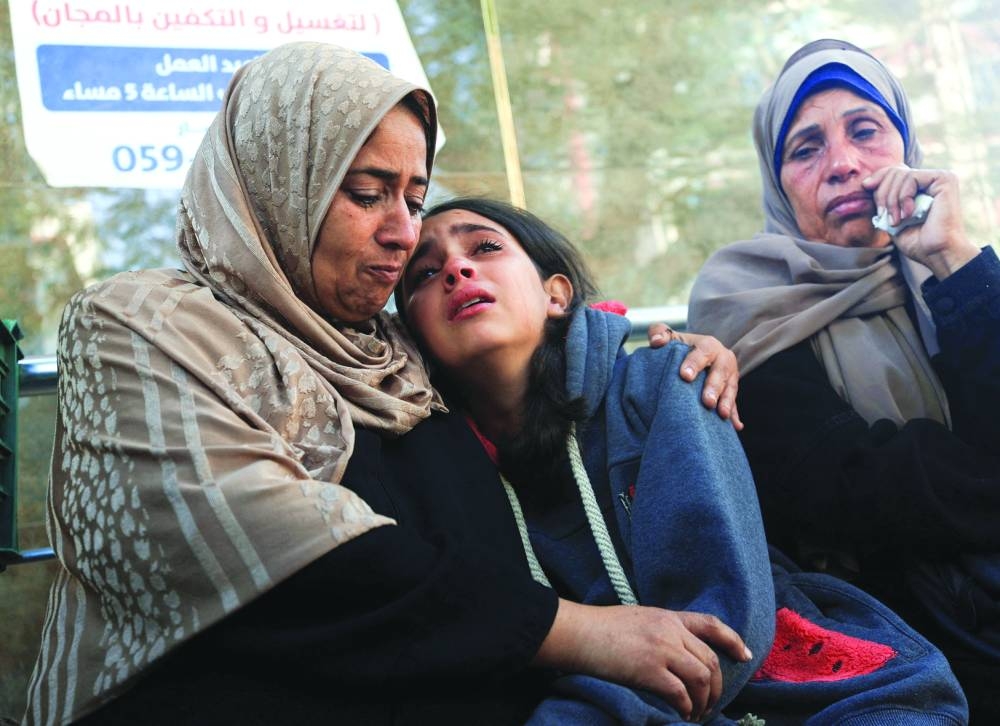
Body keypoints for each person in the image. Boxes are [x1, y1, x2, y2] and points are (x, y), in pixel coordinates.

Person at [23, 42, 746, 726]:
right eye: (369, 193)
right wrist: (572, 632)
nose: (405, 234)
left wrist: (667, 361)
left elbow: (536, 374)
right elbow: (248, 542)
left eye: (414, 196)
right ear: (279, 186)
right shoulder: (143, 323)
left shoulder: (400, 356)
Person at [396, 196, 968, 724]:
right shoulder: (439, 472)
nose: (456, 270)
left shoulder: (665, 380)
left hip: (825, 693)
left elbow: (721, 623)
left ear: (556, 295)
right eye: (424, 273)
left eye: (485, 247)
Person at [689, 37, 1000, 719]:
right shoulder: (743, 304)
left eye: (866, 131)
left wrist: (953, 255)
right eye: (805, 149)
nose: (844, 165)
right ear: (778, 185)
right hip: (895, 652)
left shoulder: (957, 275)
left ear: (906, 148)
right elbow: (864, 495)